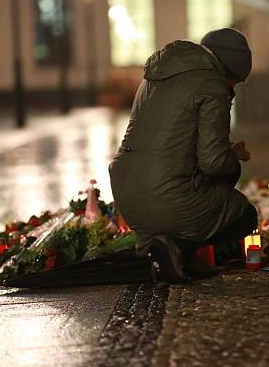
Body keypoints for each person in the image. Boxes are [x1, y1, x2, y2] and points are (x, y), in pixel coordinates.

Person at [109, 28, 258, 282]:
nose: (233, 88)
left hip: (126, 192)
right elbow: (212, 162)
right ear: (230, 71)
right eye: (235, 82)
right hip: (165, 198)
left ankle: (179, 255)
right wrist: (233, 155)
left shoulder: (159, 73)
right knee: (245, 216)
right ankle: (176, 246)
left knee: (202, 184)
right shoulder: (213, 84)